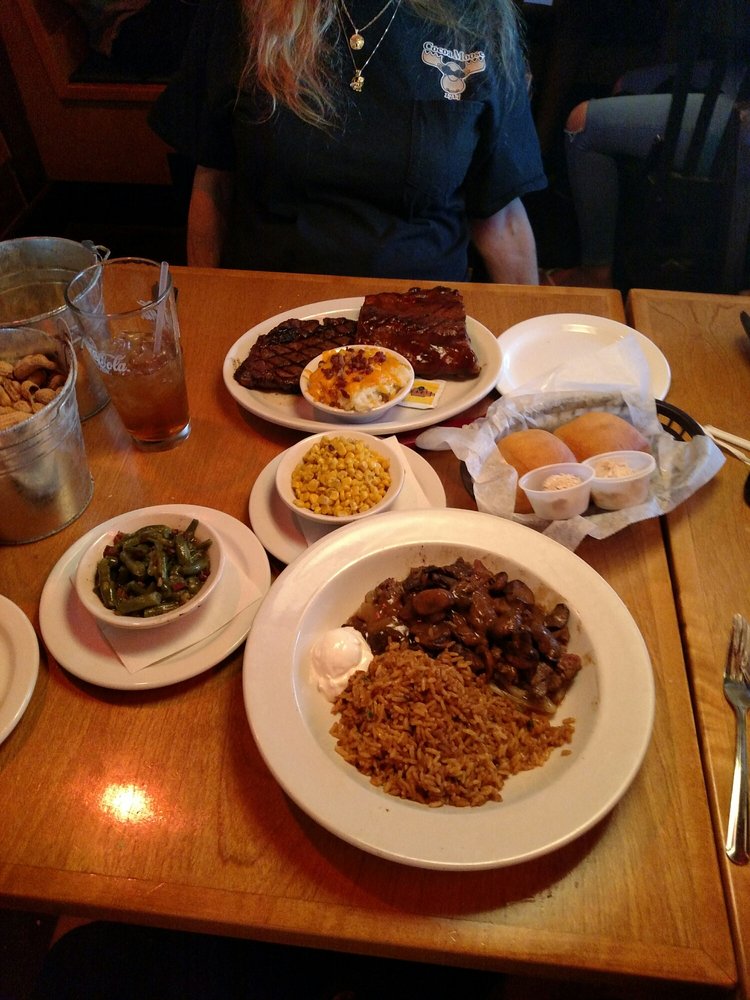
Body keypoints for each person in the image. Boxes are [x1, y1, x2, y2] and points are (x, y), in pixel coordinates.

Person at [148, 0, 546, 283]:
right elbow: (212, 184)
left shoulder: (479, 14)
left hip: (425, 318)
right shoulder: (243, 10)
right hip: (271, 312)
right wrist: (209, 308)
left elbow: (501, 214)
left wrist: (522, 378)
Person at [542, 0, 750, 288]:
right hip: (740, 72)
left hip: (744, 112)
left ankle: (595, 272)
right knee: (627, 82)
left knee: (582, 123)